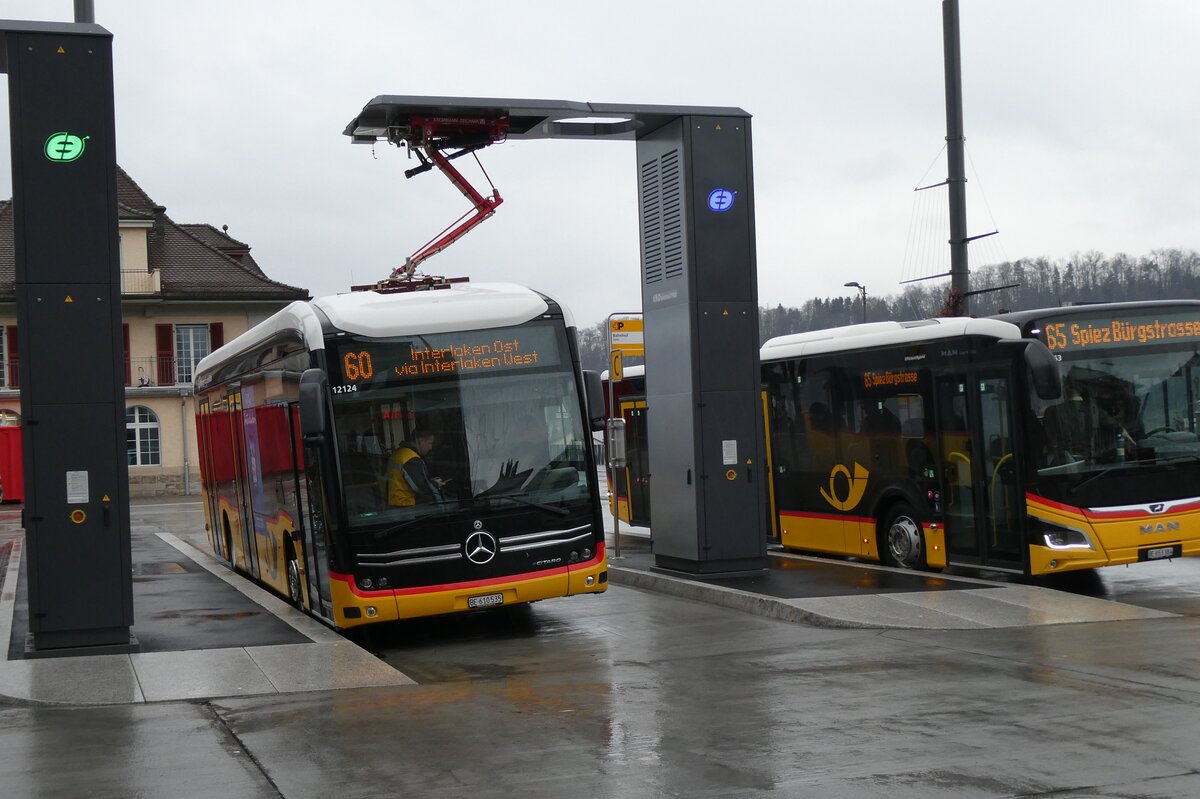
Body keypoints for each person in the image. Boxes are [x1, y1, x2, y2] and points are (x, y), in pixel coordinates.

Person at [387, 427, 447, 507]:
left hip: (395, 503)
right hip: (407, 505)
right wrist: (435, 484)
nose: (430, 448)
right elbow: (420, 488)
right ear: (421, 440)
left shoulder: (399, 453)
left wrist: (430, 481)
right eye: (430, 443)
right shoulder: (411, 459)